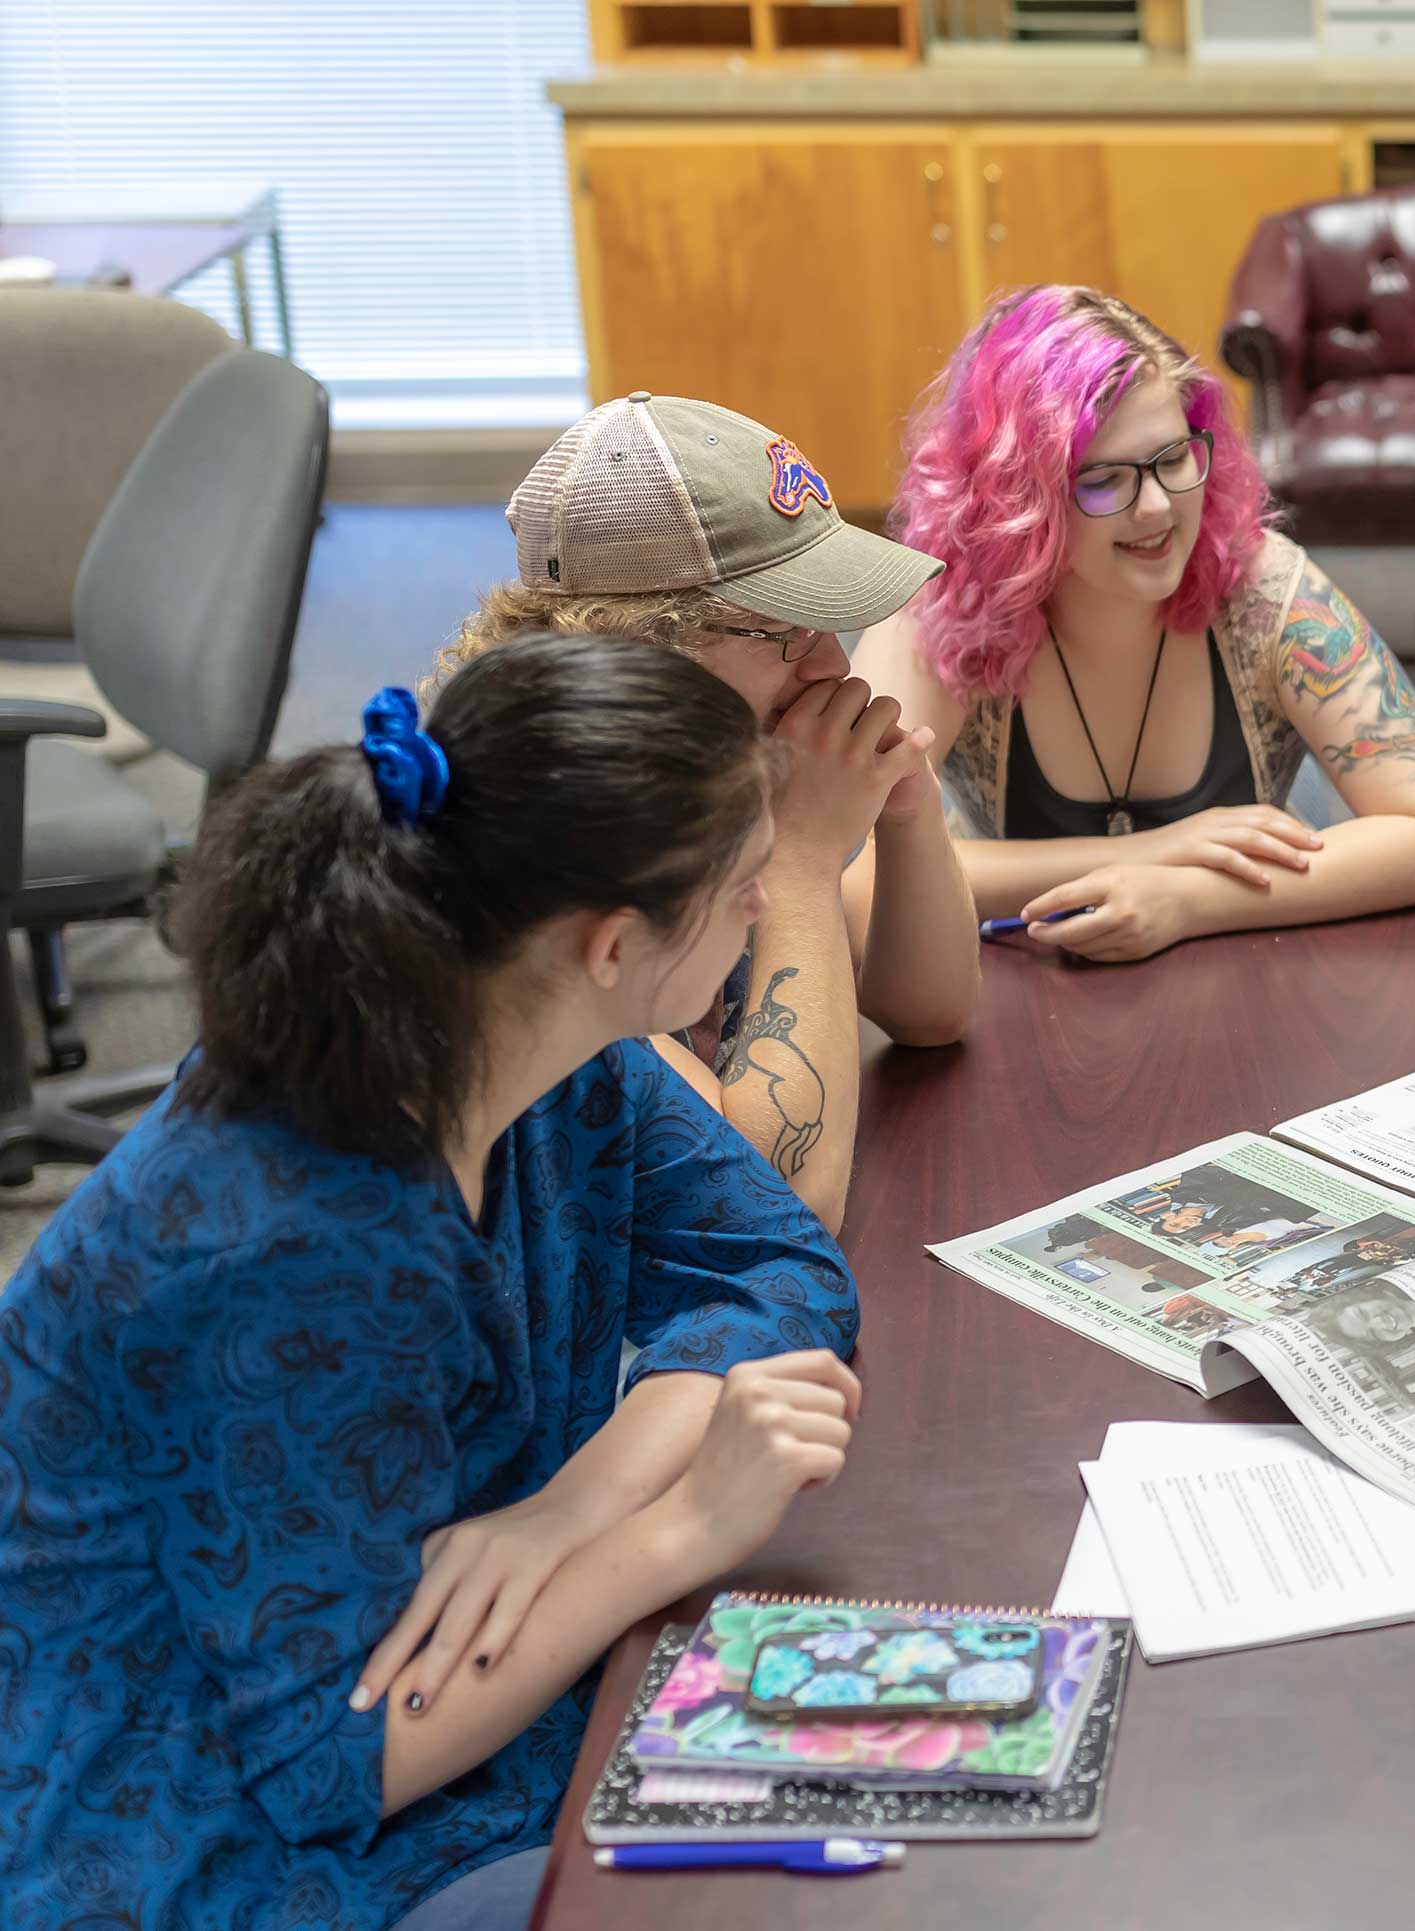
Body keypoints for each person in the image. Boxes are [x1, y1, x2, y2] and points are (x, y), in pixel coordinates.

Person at [0, 637, 863, 1931]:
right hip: (200, 1822)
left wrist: (572, 1506)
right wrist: (676, 1531)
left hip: (442, 1669)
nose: (767, 912)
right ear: (616, 940)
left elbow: (782, 1259)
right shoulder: (290, 1243)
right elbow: (340, 1750)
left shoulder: (548, 1034)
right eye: (747, 886)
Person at [446, 392, 975, 1233]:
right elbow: (773, 1205)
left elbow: (933, 1009)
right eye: (788, 633)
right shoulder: (550, 856)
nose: (834, 664)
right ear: (640, 647)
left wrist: (904, 814)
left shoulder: (710, 783)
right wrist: (802, 855)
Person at [858, 285, 1415, 961]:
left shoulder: (1264, 589)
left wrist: (1187, 899)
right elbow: (849, 881)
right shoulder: (947, 607)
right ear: (1018, 498)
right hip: (1021, 1009)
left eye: (1172, 458)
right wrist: (1147, 850)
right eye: (1105, 480)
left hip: (1255, 992)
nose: (1157, 507)